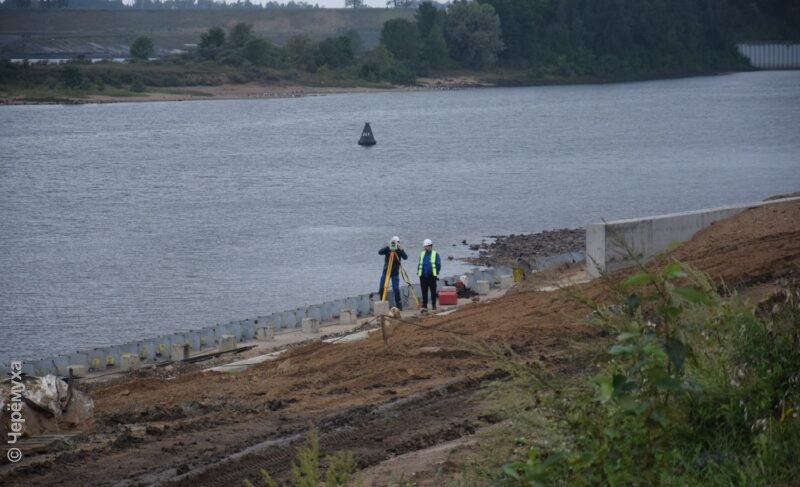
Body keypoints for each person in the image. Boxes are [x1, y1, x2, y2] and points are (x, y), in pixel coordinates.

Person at [378, 236, 408, 310]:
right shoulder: (388, 249)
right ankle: (382, 304)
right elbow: (379, 252)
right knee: (382, 287)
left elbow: (405, 257)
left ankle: (399, 305)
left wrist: (401, 249)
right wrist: (387, 247)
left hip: (395, 273)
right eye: (393, 243)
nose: (395, 245)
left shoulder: (399, 251)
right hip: (386, 272)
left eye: (397, 243)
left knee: (395, 288)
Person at [418, 238, 442, 310]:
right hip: (423, 276)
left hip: (432, 276)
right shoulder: (422, 254)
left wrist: (436, 272)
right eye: (425, 246)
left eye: (427, 246)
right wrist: (419, 273)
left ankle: (433, 304)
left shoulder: (435, 254)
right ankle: (424, 304)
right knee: (424, 291)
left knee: (433, 291)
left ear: (430, 246)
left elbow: (438, 264)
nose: (426, 248)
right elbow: (420, 264)